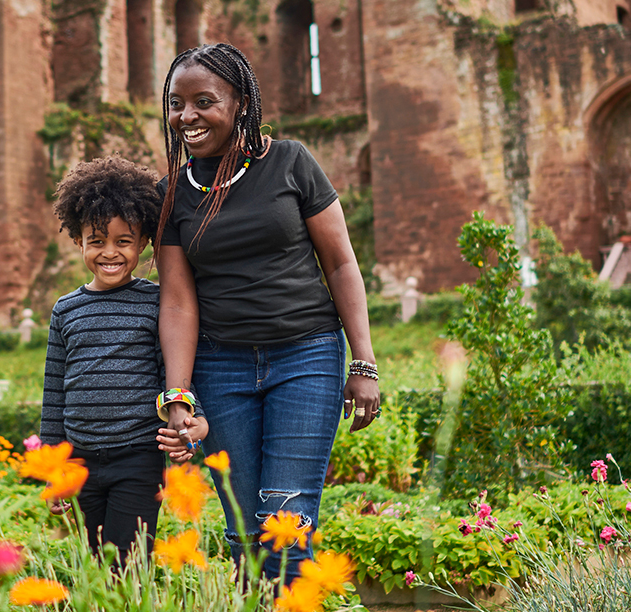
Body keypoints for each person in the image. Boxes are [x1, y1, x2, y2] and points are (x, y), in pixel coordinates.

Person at [151, 43, 382, 581]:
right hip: (220, 366)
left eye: (203, 101)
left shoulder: (291, 162)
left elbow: (341, 264)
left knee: (287, 523)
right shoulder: (172, 195)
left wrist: (364, 364)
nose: (186, 116)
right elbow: (178, 301)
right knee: (243, 534)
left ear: (240, 104)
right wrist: (178, 396)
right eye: (176, 102)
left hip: (305, 356)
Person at [38, 157, 208, 565]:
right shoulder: (66, 309)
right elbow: (54, 392)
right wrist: (52, 467)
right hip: (78, 460)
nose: (109, 252)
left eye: (123, 241)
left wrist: (194, 418)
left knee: (127, 563)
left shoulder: (156, 302)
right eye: (96, 240)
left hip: (137, 456)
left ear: (144, 241)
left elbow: (173, 368)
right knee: (91, 565)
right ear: (78, 240)